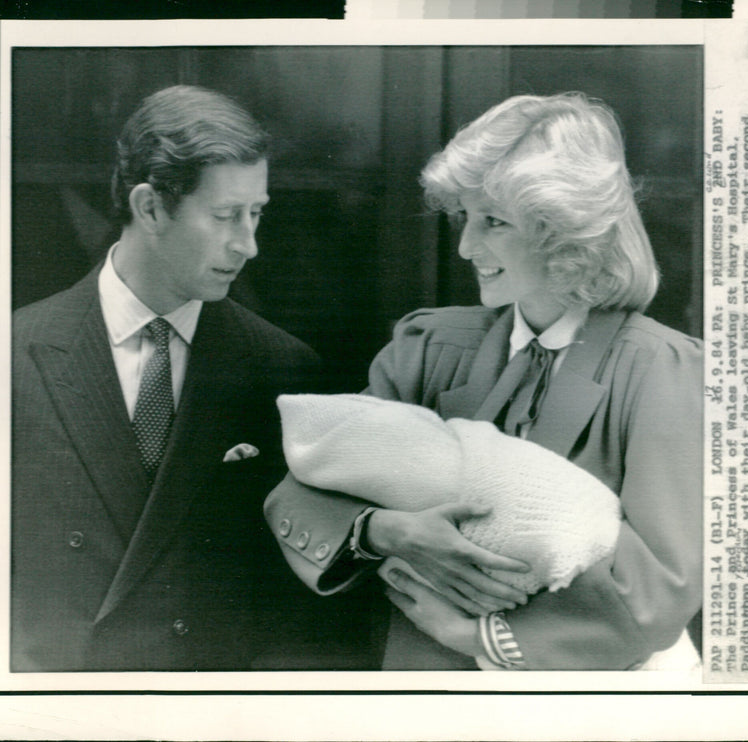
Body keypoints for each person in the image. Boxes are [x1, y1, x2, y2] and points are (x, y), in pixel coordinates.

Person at [265, 92, 703, 670]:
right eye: (466, 218)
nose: (467, 246)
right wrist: (389, 533)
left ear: (563, 230)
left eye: (493, 222)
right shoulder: (425, 349)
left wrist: (479, 636)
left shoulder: (659, 370)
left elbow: (661, 588)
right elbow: (300, 488)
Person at [11, 85, 372, 671]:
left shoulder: (281, 367)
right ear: (150, 207)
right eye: (226, 216)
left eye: (257, 214)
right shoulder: (15, 355)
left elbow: (295, 603)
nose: (249, 245)